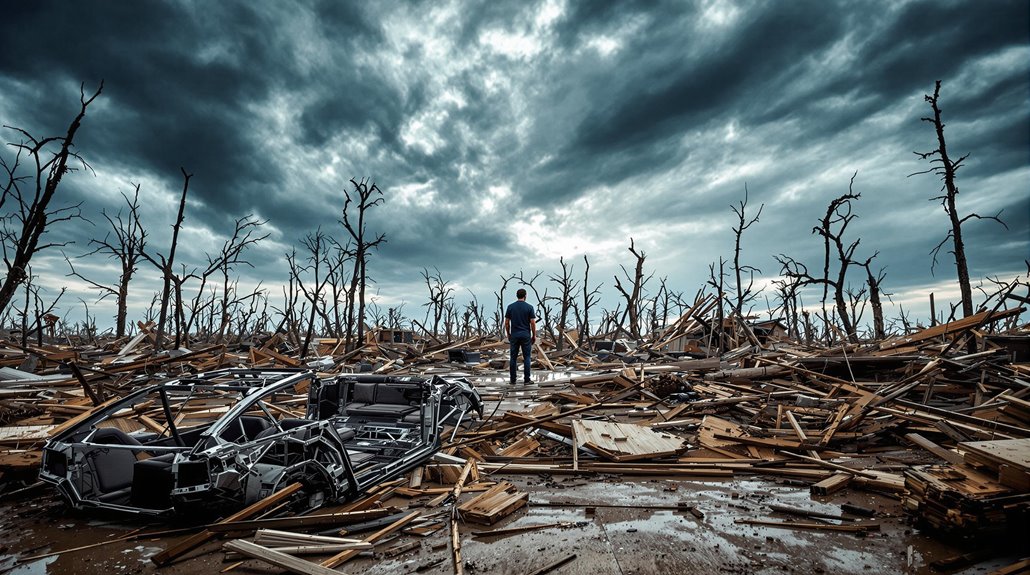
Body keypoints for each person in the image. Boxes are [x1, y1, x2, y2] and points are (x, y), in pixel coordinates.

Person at [504, 288, 536, 384]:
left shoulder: (510, 307)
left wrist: (508, 333)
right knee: (527, 357)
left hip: (514, 335)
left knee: (513, 358)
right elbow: (533, 323)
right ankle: (527, 379)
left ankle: (512, 380)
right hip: (525, 335)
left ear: (516, 295)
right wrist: (534, 335)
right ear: (525, 296)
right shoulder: (529, 307)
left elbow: (506, 322)